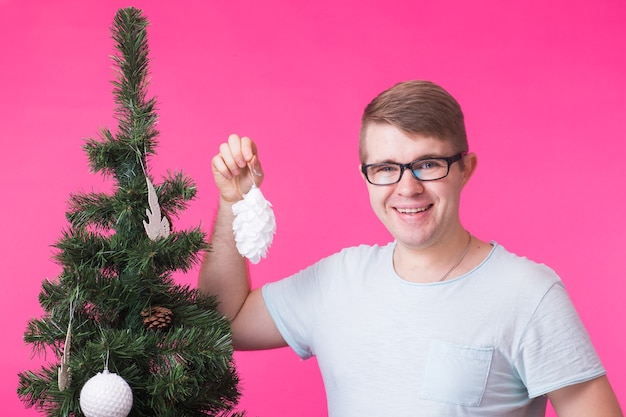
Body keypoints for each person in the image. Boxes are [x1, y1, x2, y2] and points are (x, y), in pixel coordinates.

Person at [198, 80, 623, 416]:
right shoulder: (337, 281)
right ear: (366, 177)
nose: (407, 187)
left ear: (465, 169)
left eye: (428, 164)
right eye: (386, 168)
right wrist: (234, 204)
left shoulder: (529, 293)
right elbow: (219, 322)